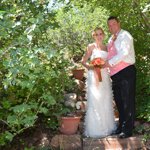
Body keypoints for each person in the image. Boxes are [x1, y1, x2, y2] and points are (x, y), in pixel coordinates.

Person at [81, 27, 116, 138]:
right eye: (96, 34)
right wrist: (92, 67)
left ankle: (108, 127)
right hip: (94, 77)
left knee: (105, 100)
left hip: (104, 77)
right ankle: (95, 129)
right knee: (96, 100)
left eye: (101, 34)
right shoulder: (90, 47)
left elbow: (109, 62)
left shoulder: (107, 48)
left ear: (104, 35)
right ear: (93, 36)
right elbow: (83, 61)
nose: (99, 36)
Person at [106, 16, 136, 138]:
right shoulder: (110, 39)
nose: (111, 27)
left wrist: (109, 63)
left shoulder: (125, 36)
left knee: (127, 101)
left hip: (126, 72)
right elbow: (109, 55)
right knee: (119, 102)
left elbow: (123, 53)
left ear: (119, 23)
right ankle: (121, 127)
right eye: (109, 25)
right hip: (115, 75)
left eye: (113, 24)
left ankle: (128, 130)